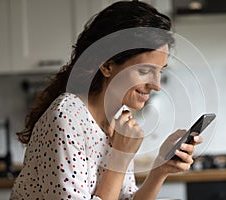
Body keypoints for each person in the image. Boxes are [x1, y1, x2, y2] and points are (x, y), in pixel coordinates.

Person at [11, 1, 202, 199]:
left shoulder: (117, 117)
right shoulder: (66, 120)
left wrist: (160, 169)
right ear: (107, 65)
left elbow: (122, 196)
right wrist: (120, 156)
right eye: (144, 71)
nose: (157, 85)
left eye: (160, 71)